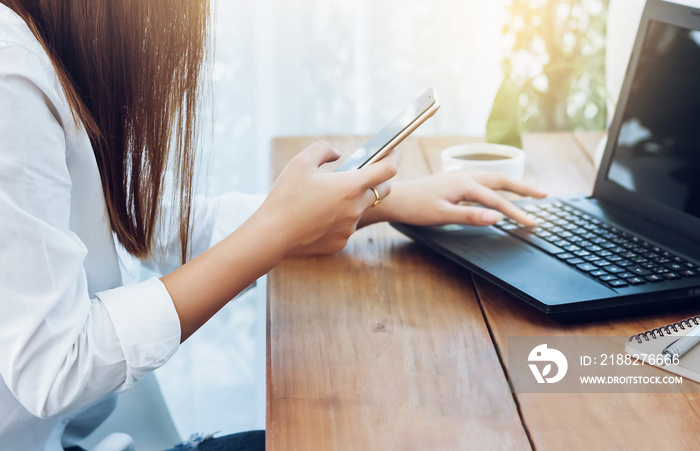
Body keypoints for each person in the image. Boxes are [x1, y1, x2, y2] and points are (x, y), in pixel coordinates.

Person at [0, 1, 546, 450]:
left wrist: (381, 202)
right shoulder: (11, 71)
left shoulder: (46, 50)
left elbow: (149, 221)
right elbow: (56, 365)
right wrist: (277, 232)